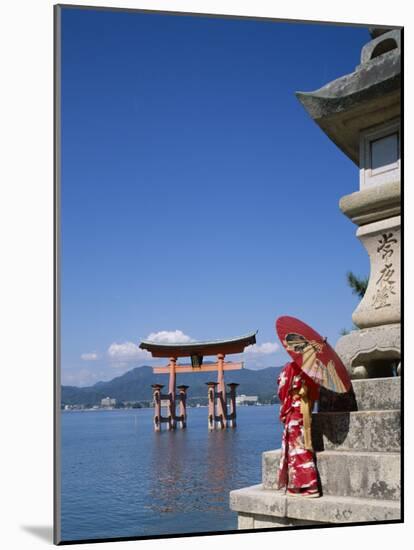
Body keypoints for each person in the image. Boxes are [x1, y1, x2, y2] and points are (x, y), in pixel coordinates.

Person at [277, 360, 320, 497]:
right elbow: (314, 393)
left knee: (297, 448)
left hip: (295, 410)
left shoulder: (292, 366)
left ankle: (308, 486)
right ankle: (300, 485)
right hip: (305, 408)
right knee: (302, 444)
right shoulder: (314, 368)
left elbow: (282, 386)